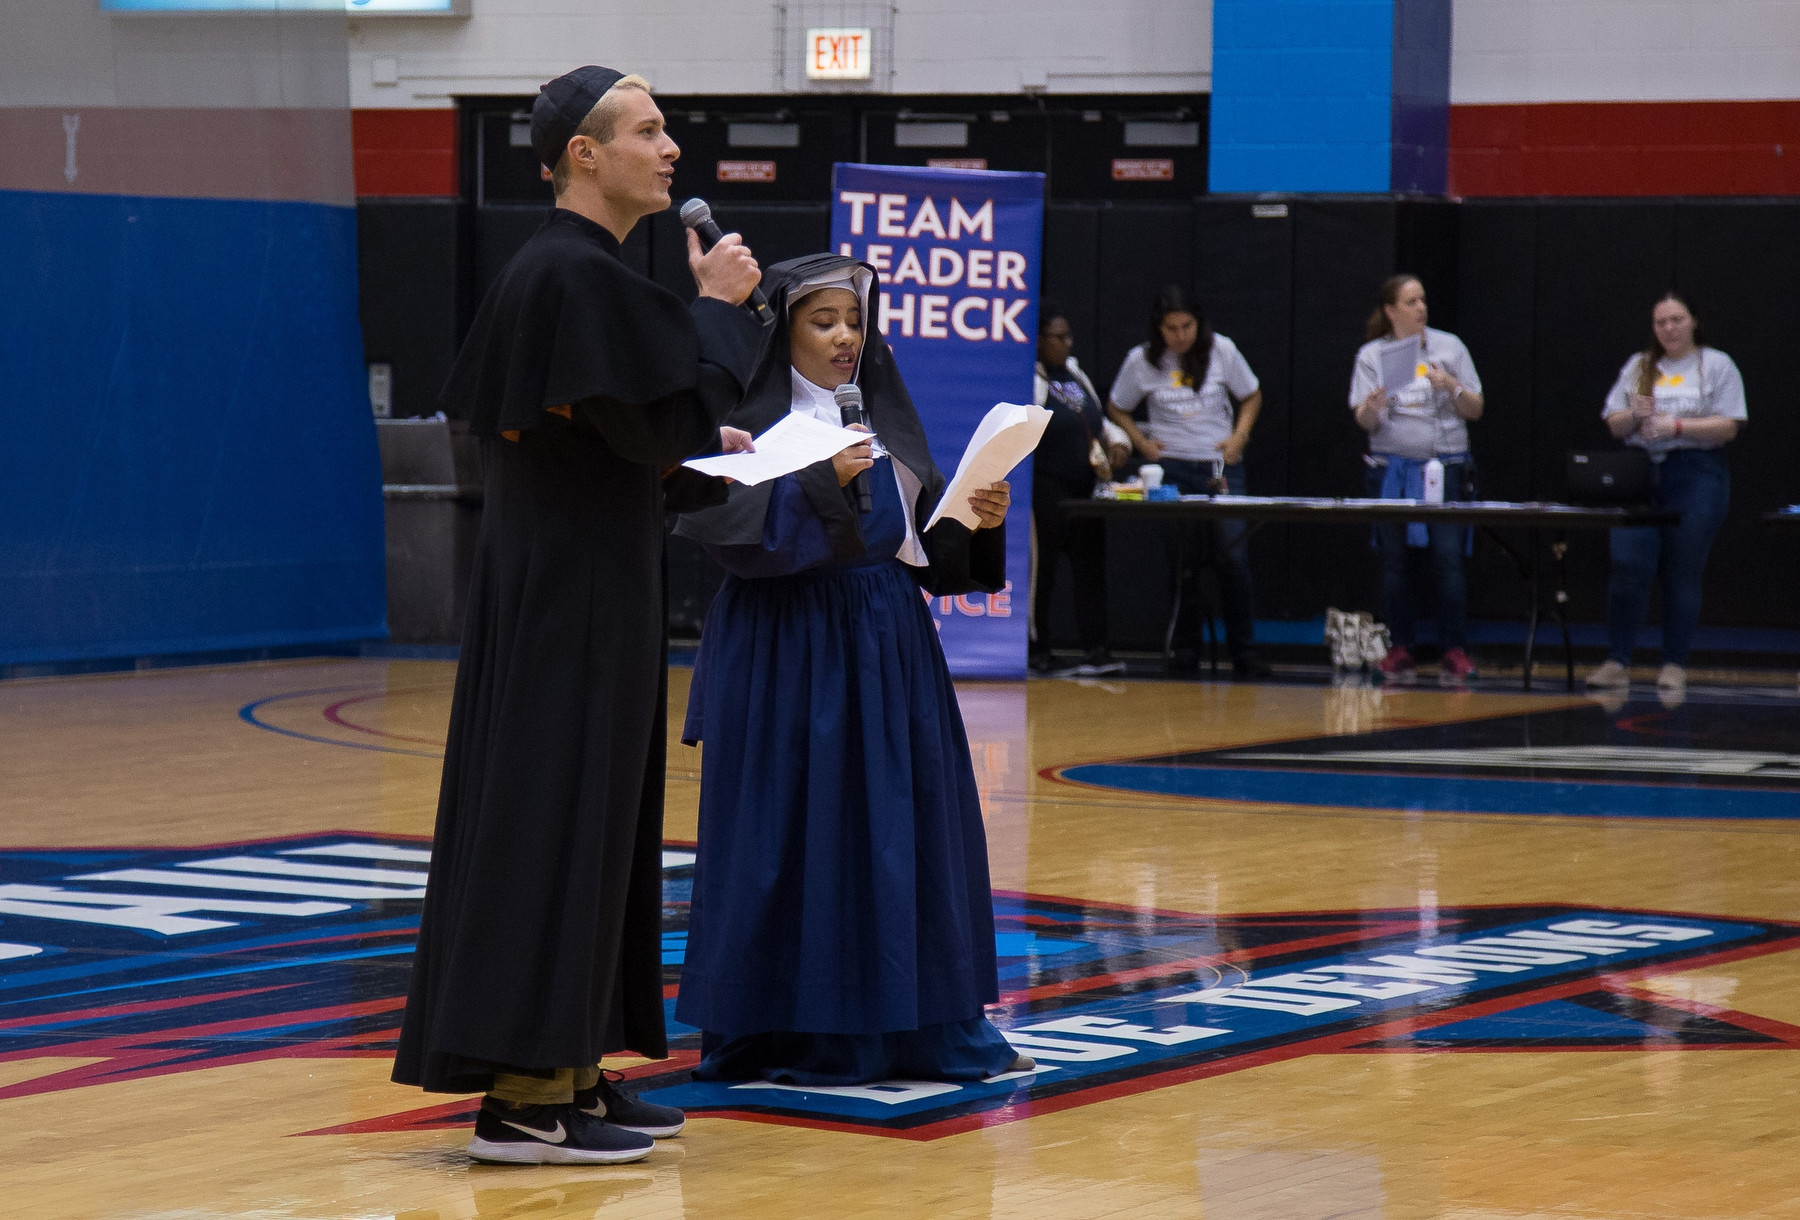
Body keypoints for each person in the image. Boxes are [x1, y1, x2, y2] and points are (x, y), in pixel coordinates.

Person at [392, 66, 765, 1166]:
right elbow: (660, 421)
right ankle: (521, 1101)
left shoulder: (565, 274)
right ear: (584, 155)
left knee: (593, 827)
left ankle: (569, 1068)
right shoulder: (572, 273)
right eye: (648, 131)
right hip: (573, 604)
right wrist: (718, 314)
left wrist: (701, 456)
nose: (671, 149)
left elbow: (618, 444)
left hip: (579, 589)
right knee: (552, 825)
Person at [670, 253, 1029, 1086]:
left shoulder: (885, 419)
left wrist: (977, 520)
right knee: (784, 836)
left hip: (886, 645)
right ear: (784, 333)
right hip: (785, 649)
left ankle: (920, 1026)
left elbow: (920, 554)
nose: (843, 338)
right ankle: (781, 1032)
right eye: (823, 321)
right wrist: (817, 485)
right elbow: (734, 540)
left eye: (855, 322)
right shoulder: (748, 424)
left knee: (900, 834)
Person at [1107, 286, 1269, 678]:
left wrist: (1239, 437)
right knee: (1183, 563)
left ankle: (1244, 653)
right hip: (1172, 469)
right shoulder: (1140, 361)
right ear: (1158, 328)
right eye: (1171, 328)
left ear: (1199, 323)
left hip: (1220, 467)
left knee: (1233, 560)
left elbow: (1252, 396)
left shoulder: (1222, 350)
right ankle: (1185, 652)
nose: (1180, 336)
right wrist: (1142, 443)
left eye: (1187, 326)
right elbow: (1116, 406)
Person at [1587, 293, 1744, 693]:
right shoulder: (1640, 366)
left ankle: (1674, 663)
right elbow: (1614, 422)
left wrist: (1677, 426)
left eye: (1677, 320)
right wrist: (1635, 415)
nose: (1669, 329)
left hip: (1695, 471)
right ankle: (1617, 659)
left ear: (1693, 322)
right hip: (1640, 471)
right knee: (1628, 565)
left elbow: (1729, 425)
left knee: (1682, 569)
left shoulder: (1716, 364)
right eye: (1661, 323)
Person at [1350, 274, 1485, 684]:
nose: (1421, 308)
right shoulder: (1372, 355)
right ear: (1391, 311)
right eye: (1411, 302)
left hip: (1445, 467)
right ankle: (1400, 648)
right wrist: (1373, 406)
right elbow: (1363, 420)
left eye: (1423, 300)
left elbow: (1476, 409)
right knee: (1396, 564)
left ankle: (1454, 649)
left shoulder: (1450, 347)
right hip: (1391, 469)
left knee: (1448, 560)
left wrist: (1452, 386)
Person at [1030, 305, 1130, 675]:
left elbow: (1098, 420)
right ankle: (1037, 651)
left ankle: (1097, 650)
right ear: (1038, 341)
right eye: (1060, 337)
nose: (1069, 343)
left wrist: (1118, 442)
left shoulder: (1075, 373)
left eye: (1069, 335)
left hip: (1086, 491)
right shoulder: (1030, 378)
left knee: (1091, 571)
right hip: (1045, 490)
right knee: (1042, 573)